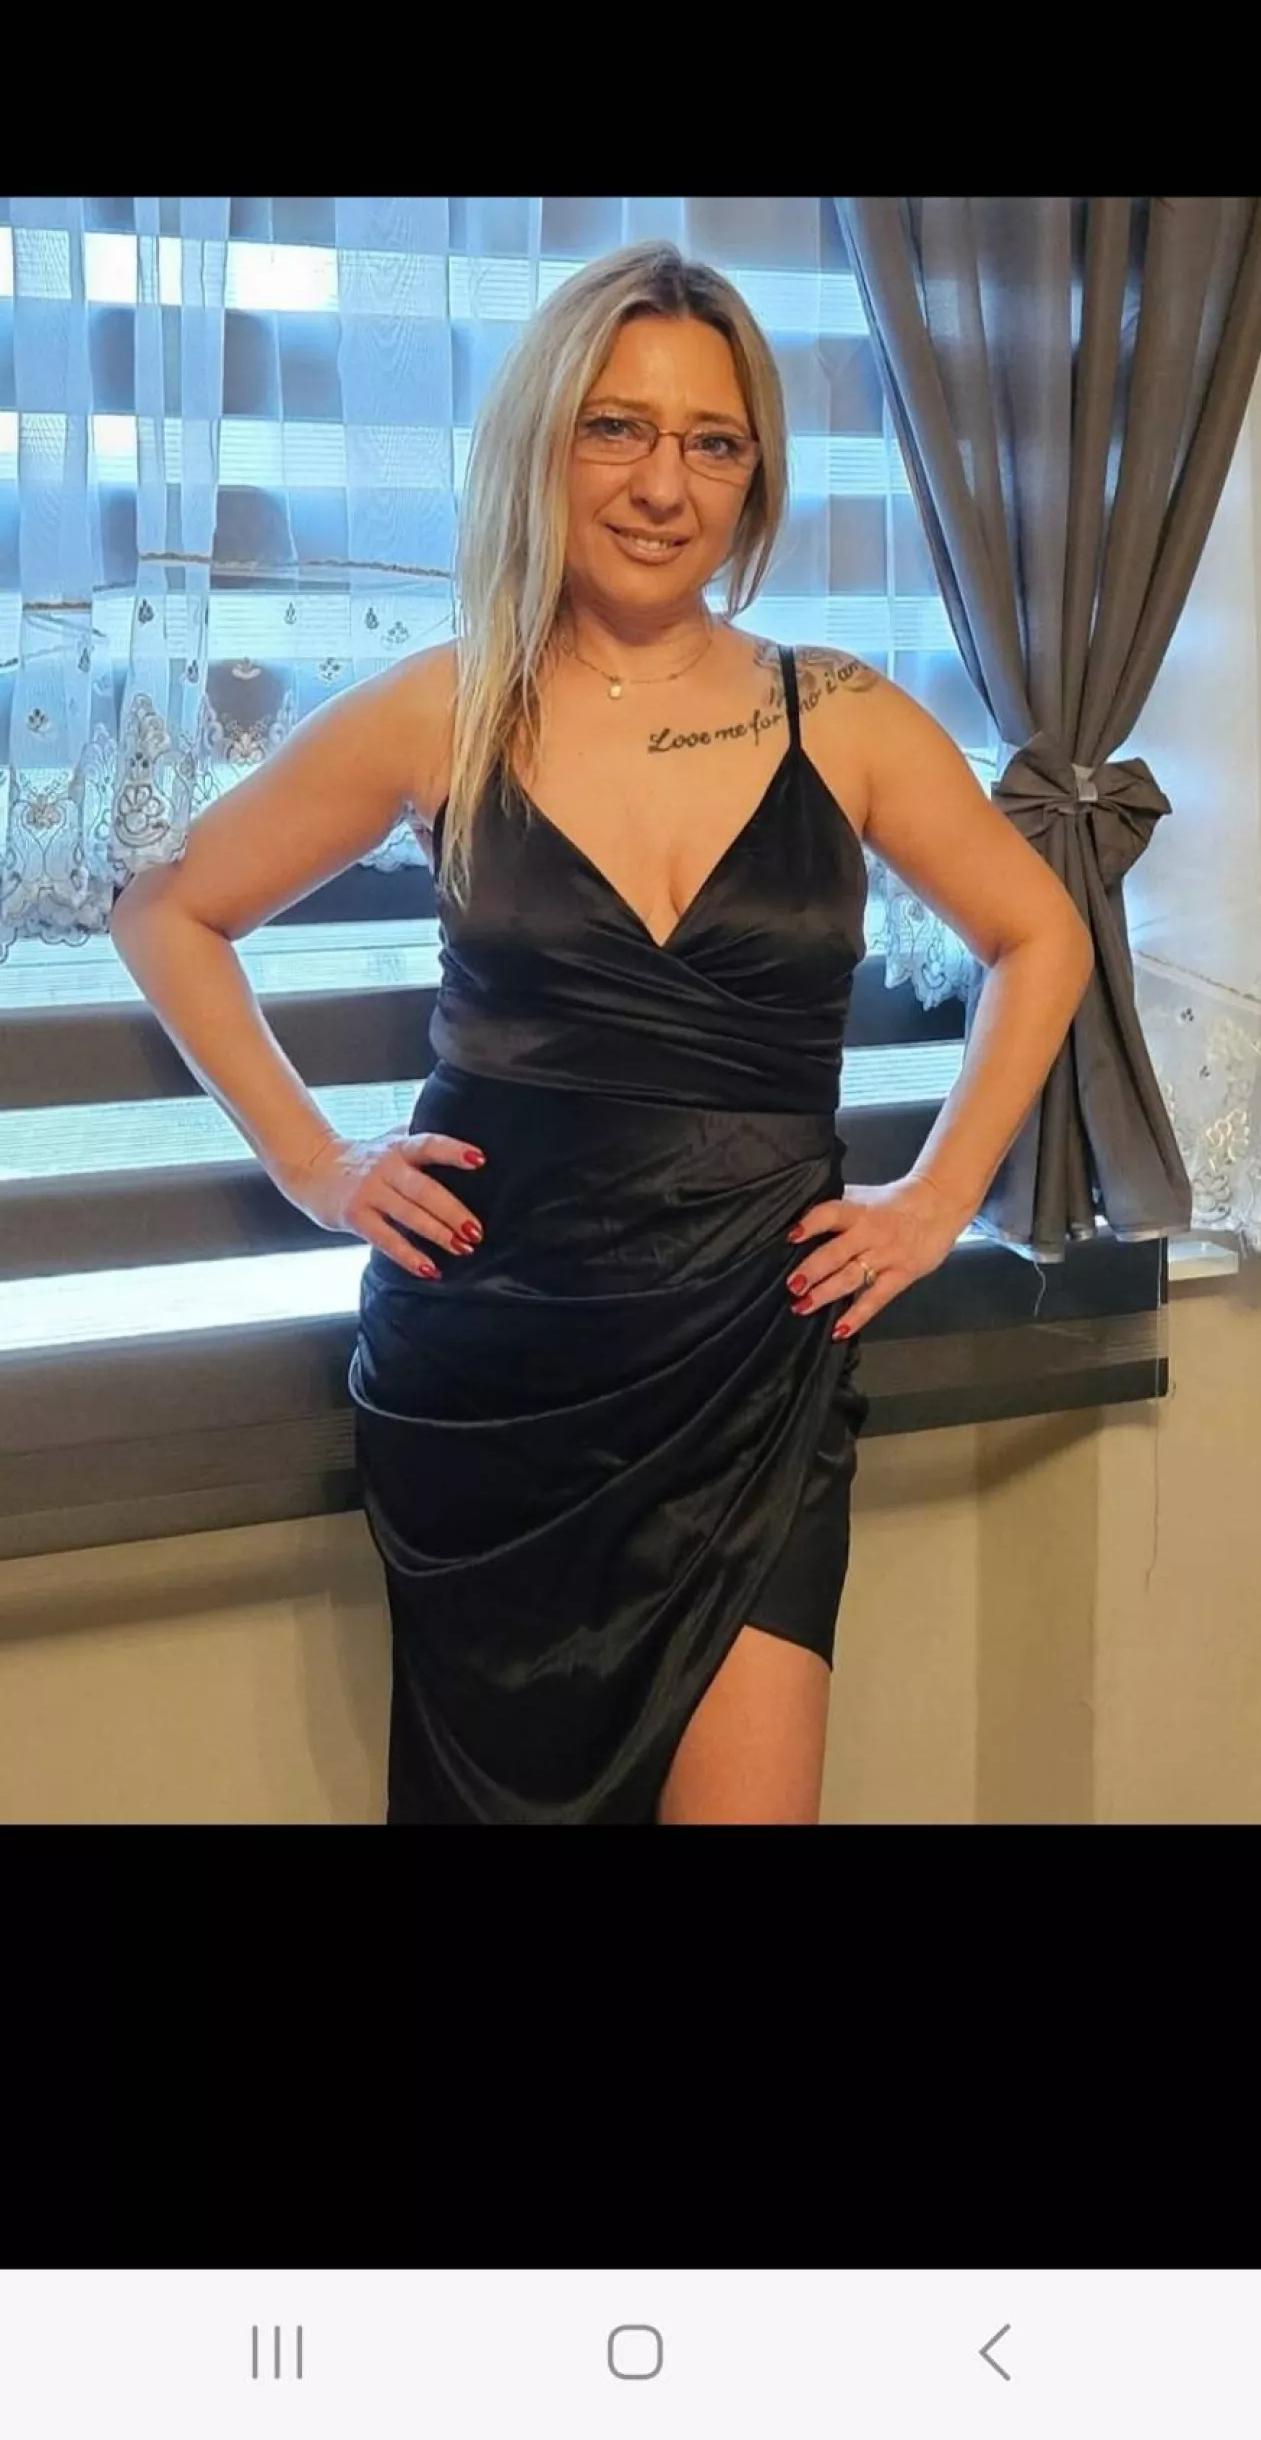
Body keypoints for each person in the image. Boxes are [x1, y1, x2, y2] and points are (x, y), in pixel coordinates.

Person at [109, 240, 1094, 1827]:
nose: (662, 483)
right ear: (544, 443)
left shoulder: (840, 712)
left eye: (714, 441)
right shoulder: (445, 705)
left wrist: (939, 1197)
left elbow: (1041, 933)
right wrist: (314, 1160)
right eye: (616, 428)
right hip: (495, 1380)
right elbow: (168, 910)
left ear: (757, 477)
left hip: (753, 1374)